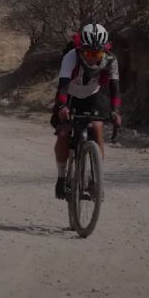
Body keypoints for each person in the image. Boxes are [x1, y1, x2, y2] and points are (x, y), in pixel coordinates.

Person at [52, 23, 123, 200]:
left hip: (92, 96)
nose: (93, 58)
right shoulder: (71, 57)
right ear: (81, 49)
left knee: (97, 127)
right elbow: (62, 86)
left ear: (104, 50)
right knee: (64, 132)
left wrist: (115, 111)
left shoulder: (111, 60)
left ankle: (95, 178)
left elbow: (115, 89)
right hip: (69, 96)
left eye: (97, 54)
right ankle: (61, 177)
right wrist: (62, 108)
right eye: (89, 53)